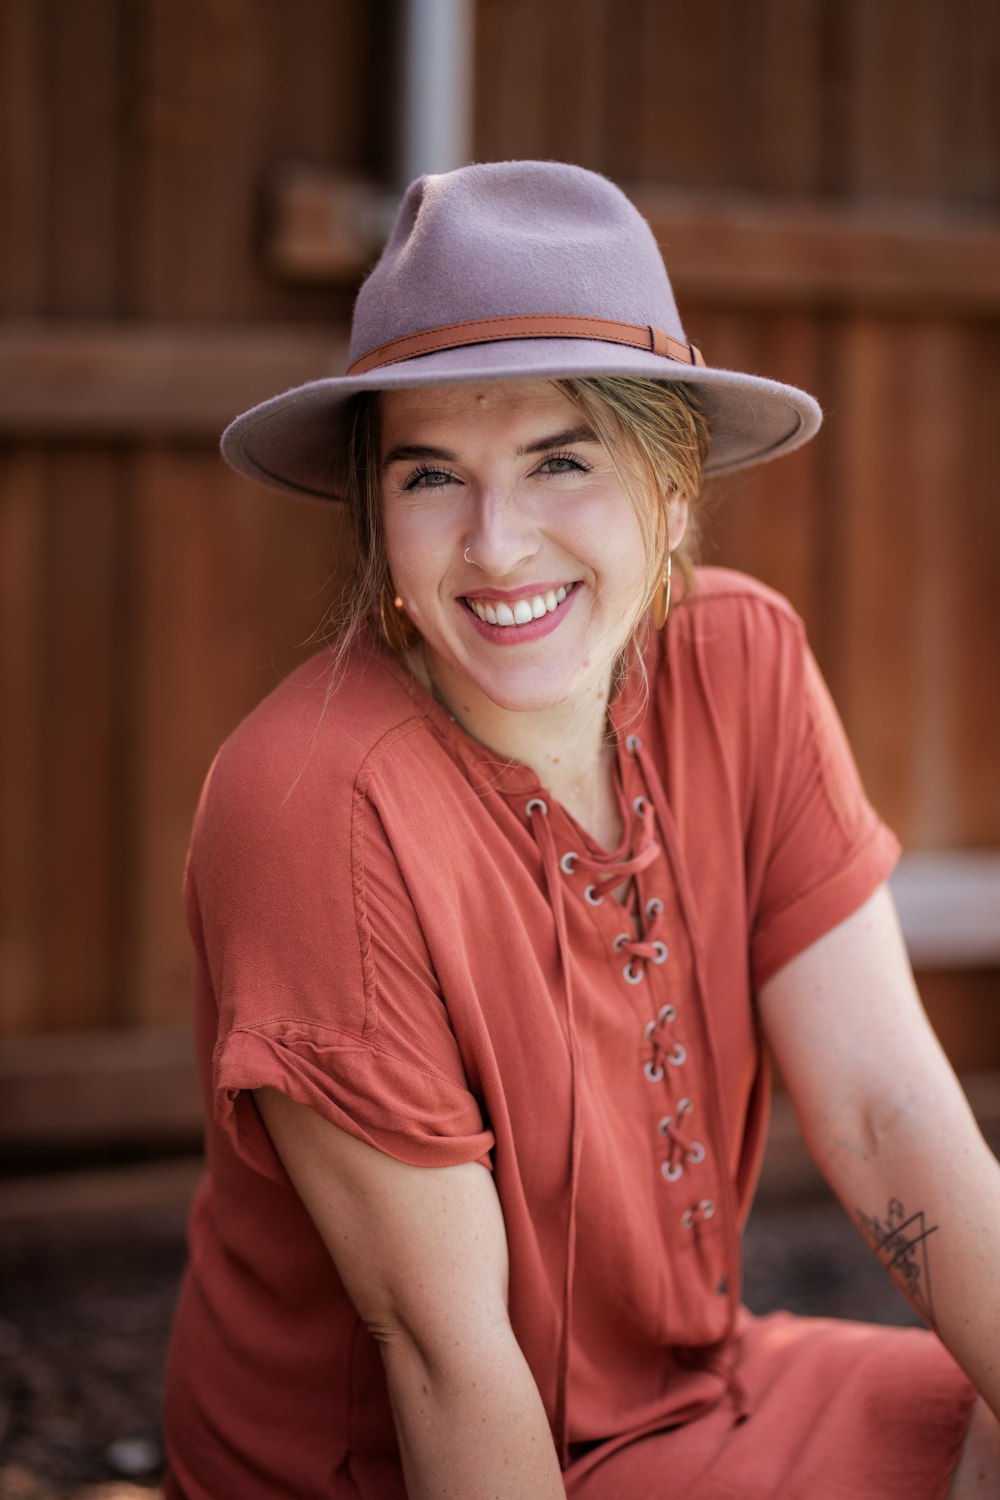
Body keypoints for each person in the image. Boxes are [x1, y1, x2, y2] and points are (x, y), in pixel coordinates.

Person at [162, 161, 1000, 1499]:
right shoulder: (315, 801)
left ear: (670, 486)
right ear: (378, 515)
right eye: (434, 475)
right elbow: (442, 1352)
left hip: (701, 1395)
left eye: (561, 461)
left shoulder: (742, 662)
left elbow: (886, 1106)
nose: (498, 545)